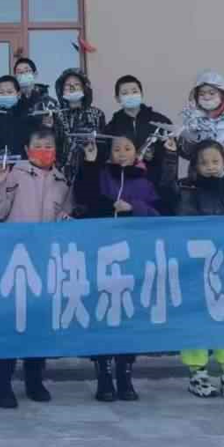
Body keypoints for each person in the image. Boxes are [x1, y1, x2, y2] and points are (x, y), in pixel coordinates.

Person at [0, 128, 71, 409]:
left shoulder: (62, 181)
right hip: (14, 259)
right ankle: (2, 382)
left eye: (49, 146)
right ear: (27, 149)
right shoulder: (13, 174)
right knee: (12, 320)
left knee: (39, 322)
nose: (43, 150)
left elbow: (66, 218)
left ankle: (34, 379)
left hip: (46, 260)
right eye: (38, 145)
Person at [73, 135, 161, 402]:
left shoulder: (144, 181)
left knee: (128, 314)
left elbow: (159, 212)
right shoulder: (100, 175)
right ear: (109, 154)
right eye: (117, 149)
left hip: (133, 256)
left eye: (127, 148)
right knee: (101, 312)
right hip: (101, 253)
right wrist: (90, 164)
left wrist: (133, 207)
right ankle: (103, 373)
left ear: (136, 153)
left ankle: (125, 372)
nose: (122, 153)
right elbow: (84, 198)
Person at [168, 140, 224, 399]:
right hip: (193, 270)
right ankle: (197, 373)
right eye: (204, 162)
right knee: (195, 320)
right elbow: (174, 226)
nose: (210, 166)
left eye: (215, 161)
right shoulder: (183, 193)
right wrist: (170, 157)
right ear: (195, 166)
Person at [104, 75, 175, 199]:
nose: (130, 95)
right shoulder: (112, 126)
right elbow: (108, 157)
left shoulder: (160, 121)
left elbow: (171, 154)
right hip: (125, 186)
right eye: (125, 93)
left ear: (141, 94)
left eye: (134, 91)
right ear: (117, 98)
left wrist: (154, 154)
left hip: (156, 186)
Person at [53, 68, 106, 171]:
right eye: (67, 85)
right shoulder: (55, 115)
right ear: (61, 89)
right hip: (60, 173)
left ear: (84, 88)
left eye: (77, 84)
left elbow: (103, 146)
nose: (72, 88)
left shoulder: (97, 114)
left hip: (90, 169)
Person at [0, 75, 33, 158]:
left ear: (18, 94)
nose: (5, 95)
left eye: (9, 92)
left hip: (22, 162)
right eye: (1, 93)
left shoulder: (28, 114)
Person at [13, 57, 58, 131]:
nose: (23, 74)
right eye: (19, 72)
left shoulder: (49, 103)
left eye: (27, 71)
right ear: (15, 77)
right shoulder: (13, 102)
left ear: (35, 74)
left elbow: (58, 129)